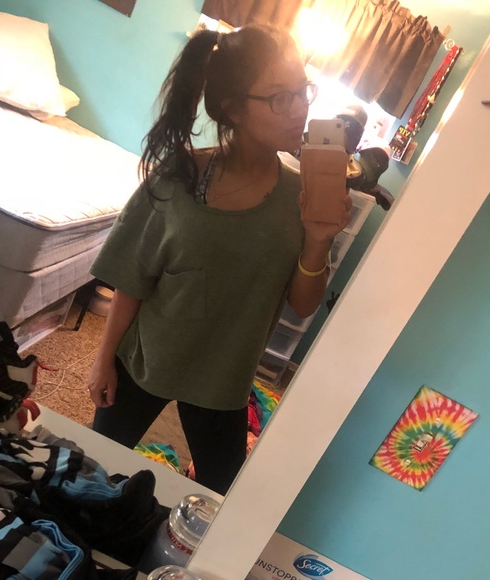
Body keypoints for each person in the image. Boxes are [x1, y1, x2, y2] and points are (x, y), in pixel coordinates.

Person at [87, 24, 352, 495]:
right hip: (147, 361)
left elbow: (303, 304)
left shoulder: (301, 196)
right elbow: (134, 278)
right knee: (90, 471)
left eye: (303, 91)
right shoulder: (179, 177)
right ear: (232, 108)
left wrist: (317, 241)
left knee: (218, 501)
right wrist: (103, 359)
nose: (300, 109)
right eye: (280, 97)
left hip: (224, 382)